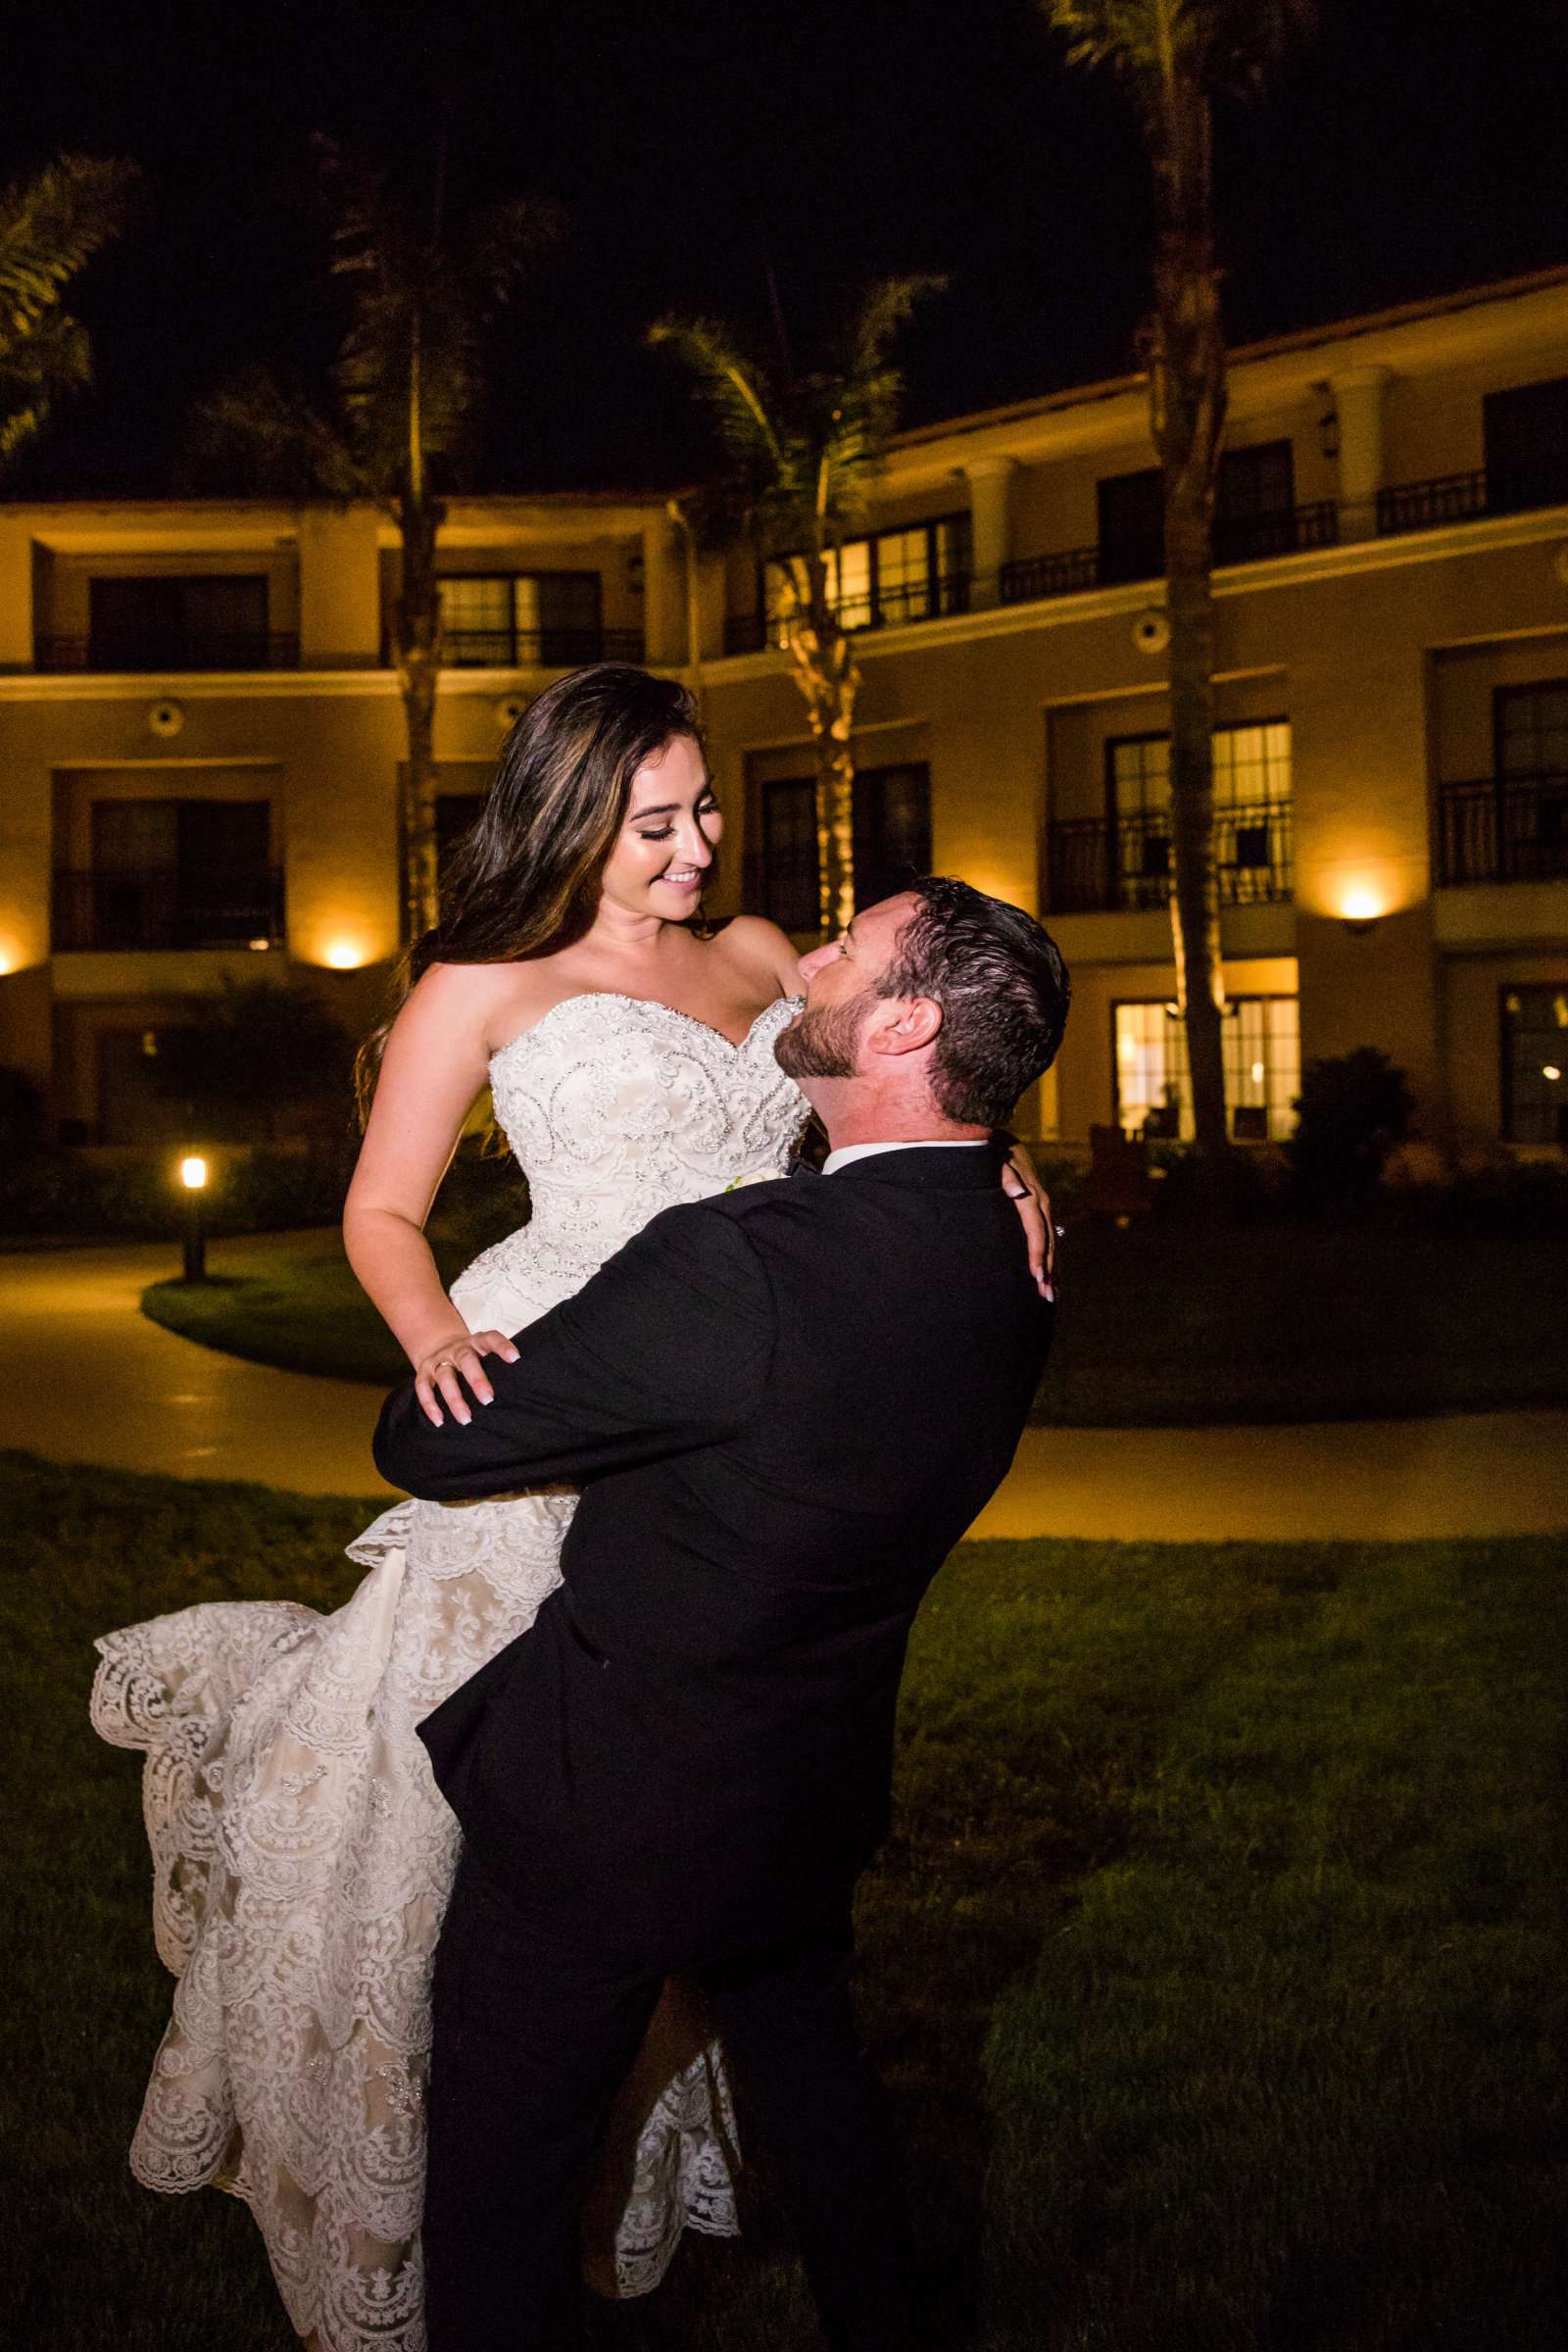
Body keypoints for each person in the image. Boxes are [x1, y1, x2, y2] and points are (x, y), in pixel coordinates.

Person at [90, 665, 1055, 2352]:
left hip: (743, 1397)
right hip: (557, 1382)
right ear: (570, 816)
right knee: (482, 1823)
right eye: (655, 823)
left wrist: (1005, 1166)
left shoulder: (764, 958)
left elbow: (888, 1099)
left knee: (660, 1781)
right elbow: (382, 1209)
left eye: (703, 814)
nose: (696, 853)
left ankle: (576, 2137)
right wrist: (439, 1337)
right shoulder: (484, 977)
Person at [374, 876, 1072, 2352]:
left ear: (906, 1024)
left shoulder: (739, 1266)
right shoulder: (1011, 1269)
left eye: (847, 955)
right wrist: (1004, 1162)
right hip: (809, 1787)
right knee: (818, 2090)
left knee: (502, 2170)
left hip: (612, 1800)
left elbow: (430, 1443)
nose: (801, 961)